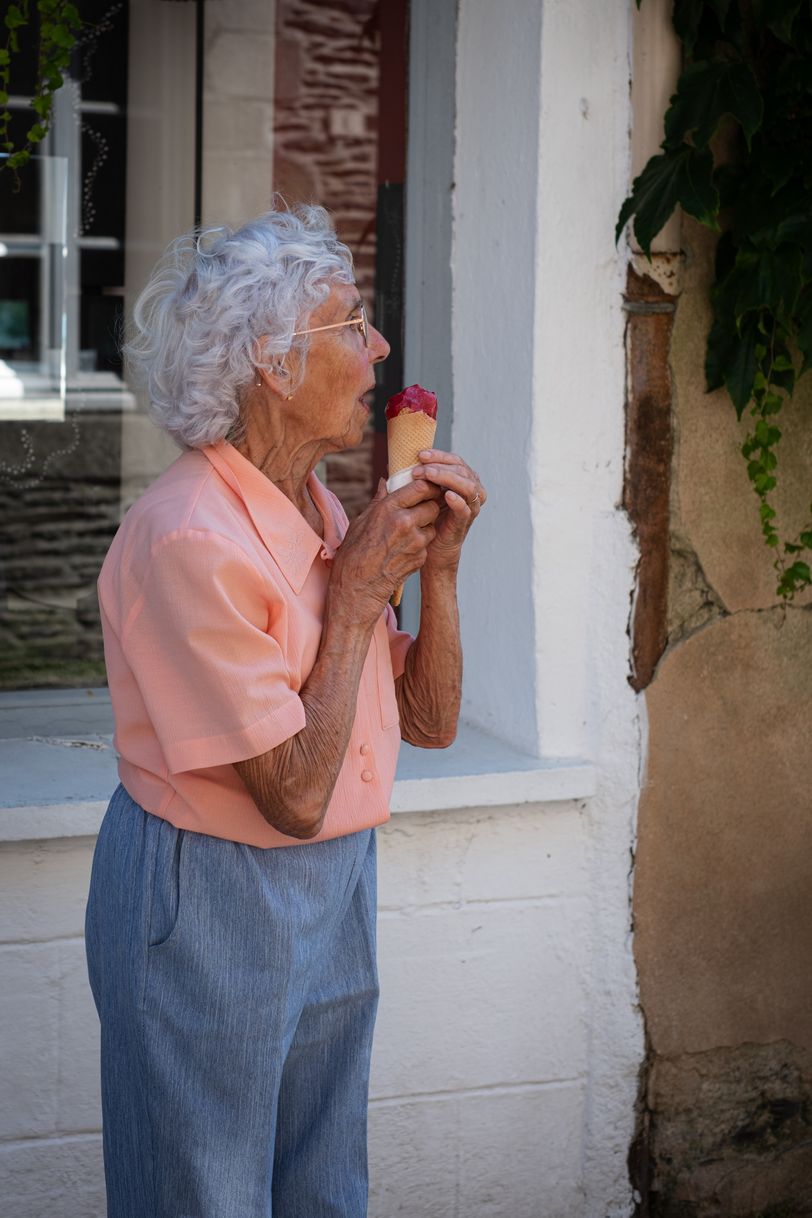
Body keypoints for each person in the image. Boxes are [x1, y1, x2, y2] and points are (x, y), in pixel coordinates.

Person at [84, 204, 485, 1218]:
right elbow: (292, 798)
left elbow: (428, 720)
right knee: (205, 1193)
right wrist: (356, 593)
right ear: (273, 362)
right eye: (352, 324)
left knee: (320, 1182)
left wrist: (436, 570)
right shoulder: (189, 540)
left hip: (334, 881)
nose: (379, 347)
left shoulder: (317, 508)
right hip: (213, 893)